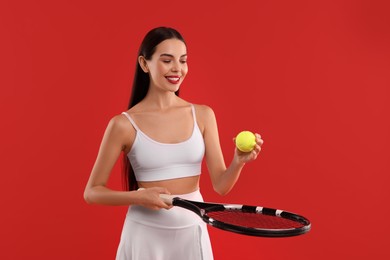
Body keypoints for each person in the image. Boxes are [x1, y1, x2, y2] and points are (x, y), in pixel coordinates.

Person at [84, 27, 264, 260]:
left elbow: (221, 185)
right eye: (167, 60)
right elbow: (92, 192)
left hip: (192, 230)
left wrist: (238, 161)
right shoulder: (123, 124)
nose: (177, 68)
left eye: (183, 60)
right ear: (145, 63)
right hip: (144, 234)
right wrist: (138, 196)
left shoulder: (203, 115)